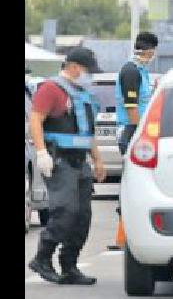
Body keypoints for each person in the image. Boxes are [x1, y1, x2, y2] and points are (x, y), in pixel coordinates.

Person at [27, 47, 107, 285]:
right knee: (65, 212)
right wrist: (41, 152)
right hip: (59, 160)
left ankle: (69, 266)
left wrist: (98, 159)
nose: (89, 75)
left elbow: (86, 131)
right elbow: (35, 119)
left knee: (82, 217)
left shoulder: (80, 94)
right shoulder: (50, 89)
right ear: (73, 67)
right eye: (86, 70)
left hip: (80, 162)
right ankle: (42, 258)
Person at [115, 32, 158, 155]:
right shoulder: (131, 72)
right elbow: (131, 107)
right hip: (132, 130)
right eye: (153, 52)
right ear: (149, 52)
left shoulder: (141, 71)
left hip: (137, 129)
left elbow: (143, 100)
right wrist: (141, 134)